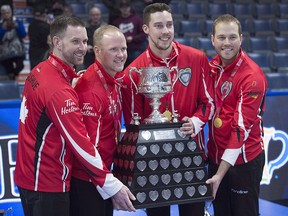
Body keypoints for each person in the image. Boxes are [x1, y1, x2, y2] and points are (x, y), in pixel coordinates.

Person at [14, 16, 135, 216]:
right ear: (57, 42)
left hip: (31, 176)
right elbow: (81, 143)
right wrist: (112, 185)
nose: (82, 47)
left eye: (85, 41)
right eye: (75, 41)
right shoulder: (60, 90)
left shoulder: (40, 70)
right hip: (48, 182)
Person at [121, 3, 214, 216]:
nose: (165, 31)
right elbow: (133, 123)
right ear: (146, 29)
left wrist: (197, 122)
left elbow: (209, 102)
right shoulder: (134, 72)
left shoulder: (196, 59)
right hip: (152, 164)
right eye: (159, 26)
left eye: (169, 25)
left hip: (193, 157)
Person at [205, 14, 267, 216]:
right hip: (216, 157)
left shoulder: (252, 76)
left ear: (241, 38)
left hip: (244, 161)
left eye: (232, 37)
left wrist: (219, 175)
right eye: (221, 38)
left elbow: (241, 130)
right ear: (212, 39)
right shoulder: (212, 68)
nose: (227, 43)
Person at [70, 24, 128, 216]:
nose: (121, 54)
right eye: (113, 49)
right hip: (88, 179)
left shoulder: (115, 78)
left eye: (124, 48)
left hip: (103, 174)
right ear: (97, 51)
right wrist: (109, 185)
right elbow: (87, 147)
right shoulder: (90, 90)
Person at [112, 0, 147, 68]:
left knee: (137, 68)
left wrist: (133, 38)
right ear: (120, 9)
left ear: (129, 8)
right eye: (123, 8)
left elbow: (144, 34)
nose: (125, 9)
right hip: (121, 51)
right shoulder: (116, 21)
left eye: (126, 7)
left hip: (135, 49)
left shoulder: (136, 19)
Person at [0, 4, 26, 80]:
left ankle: (14, 75)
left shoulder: (17, 21)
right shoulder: (0, 24)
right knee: (9, 69)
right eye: (4, 13)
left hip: (17, 50)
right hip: (4, 52)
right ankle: (12, 78)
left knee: (20, 66)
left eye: (8, 13)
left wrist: (17, 27)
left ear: (11, 13)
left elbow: (23, 34)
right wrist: (3, 29)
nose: (6, 15)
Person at [28, 4, 50, 70]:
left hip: (33, 52)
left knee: (34, 74)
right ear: (44, 15)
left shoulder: (30, 26)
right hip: (44, 53)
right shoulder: (46, 27)